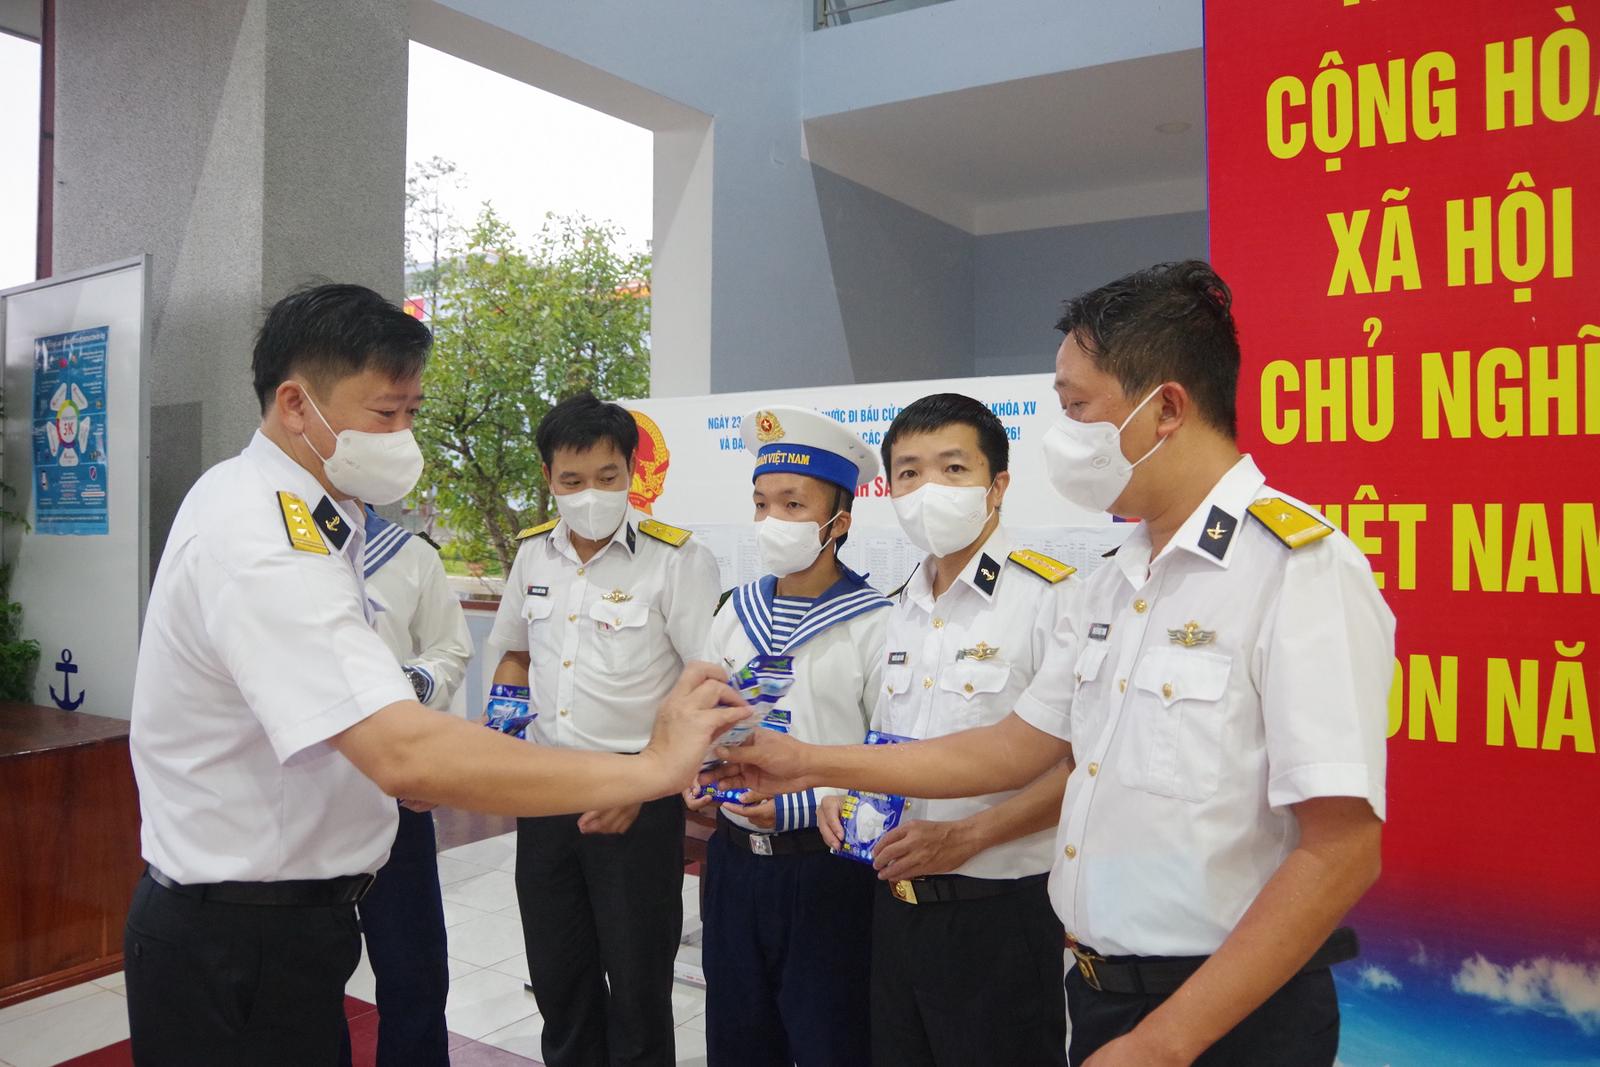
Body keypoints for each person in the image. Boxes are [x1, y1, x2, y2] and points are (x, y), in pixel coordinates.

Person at [707, 261, 1394, 1067]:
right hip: (1103, 990)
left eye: (1077, 408)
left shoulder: (1297, 569)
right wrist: (805, 761)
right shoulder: (1112, 582)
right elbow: (1011, 747)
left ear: (1166, 407)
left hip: (1228, 1013)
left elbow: (1343, 848)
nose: (1063, 436)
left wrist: (1165, 1042)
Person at [123, 284, 746, 1067]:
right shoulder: (264, 538)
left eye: (412, 412)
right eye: (386, 414)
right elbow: (404, 748)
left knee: (635, 986)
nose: (404, 437)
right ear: (296, 405)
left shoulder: (300, 512)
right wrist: (649, 770)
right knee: (564, 981)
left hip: (279, 923)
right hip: (238, 937)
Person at [818, 393, 1077, 1067]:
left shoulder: (1052, 600)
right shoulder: (898, 606)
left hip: (999, 910)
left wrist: (969, 836)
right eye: (908, 472)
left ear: (998, 486)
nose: (928, 488)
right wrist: (842, 797)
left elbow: (1082, 766)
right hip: (894, 904)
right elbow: (889, 743)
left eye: (953, 468)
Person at [488, 392, 723, 1067]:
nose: (591, 493)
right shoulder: (533, 555)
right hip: (545, 794)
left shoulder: (677, 558)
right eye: (572, 479)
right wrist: (502, 733)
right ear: (548, 477)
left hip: (635, 798)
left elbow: (704, 683)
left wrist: (645, 782)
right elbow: (513, 654)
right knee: (558, 977)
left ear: (630, 471)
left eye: (607, 476)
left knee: (639, 986)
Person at [688, 405, 892, 1066]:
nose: (772, 519)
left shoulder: (875, 625)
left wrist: (801, 803)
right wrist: (699, 775)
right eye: (762, 503)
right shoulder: (734, 612)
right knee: (738, 1040)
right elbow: (707, 716)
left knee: (832, 1041)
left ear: (840, 521)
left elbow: (890, 762)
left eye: (793, 504)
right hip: (733, 862)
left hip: (828, 870)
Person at [337, 505, 473, 1066]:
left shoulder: (409, 554)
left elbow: (451, 648)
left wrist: (413, 681)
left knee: (413, 965)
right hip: (307, 794)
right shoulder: (280, 547)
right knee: (309, 971)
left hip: (395, 794)